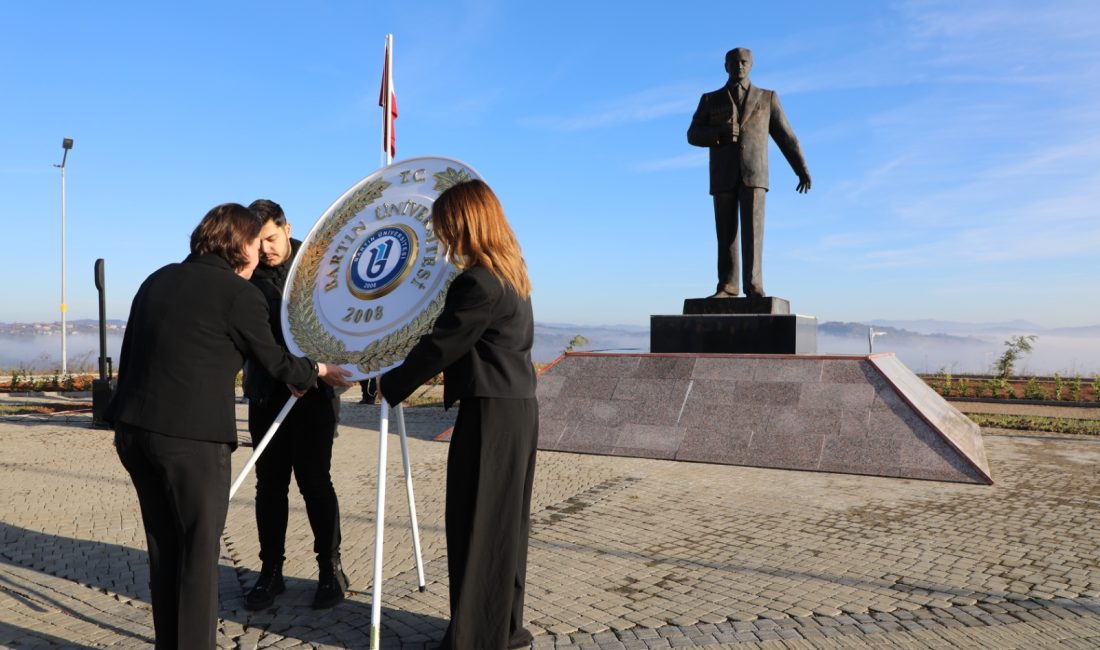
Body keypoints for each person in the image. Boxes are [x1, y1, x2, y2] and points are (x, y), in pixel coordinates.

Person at [107, 203, 352, 649]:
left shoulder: (157, 279)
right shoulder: (238, 293)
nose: (261, 254)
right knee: (199, 557)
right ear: (240, 245)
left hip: (133, 433)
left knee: (165, 551)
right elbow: (276, 361)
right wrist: (315, 371)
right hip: (190, 443)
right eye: (256, 245)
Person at [379, 179, 538, 650]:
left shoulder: (477, 282)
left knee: (477, 522)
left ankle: (474, 639)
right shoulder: (512, 272)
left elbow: (442, 346)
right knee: (505, 525)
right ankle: (505, 628)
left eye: (444, 226)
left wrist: (389, 384)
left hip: (491, 416)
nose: (440, 235)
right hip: (516, 410)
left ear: (464, 222)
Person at [241, 199, 349, 610]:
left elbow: (341, 321)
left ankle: (330, 568)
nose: (264, 248)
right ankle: (271, 573)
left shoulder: (318, 265)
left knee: (316, 484)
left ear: (287, 228)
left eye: (270, 238)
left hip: (315, 396)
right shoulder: (246, 274)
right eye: (256, 242)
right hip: (267, 394)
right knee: (270, 487)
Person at [687, 47, 811, 299]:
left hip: (755, 174)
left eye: (744, 62)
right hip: (723, 175)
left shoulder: (767, 98)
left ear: (751, 65)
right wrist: (718, 135)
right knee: (726, 234)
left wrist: (802, 169)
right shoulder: (710, 99)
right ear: (726, 67)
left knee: (753, 234)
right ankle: (727, 286)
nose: (739, 66)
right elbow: (693, 134)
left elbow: (787, 137)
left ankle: (753, 285)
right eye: (734, 63)